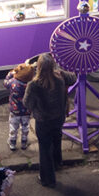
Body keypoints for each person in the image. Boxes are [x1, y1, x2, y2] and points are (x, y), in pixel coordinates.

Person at [23, 53, 69, 188]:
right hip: (59, 118)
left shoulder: (33, 85)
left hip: (43, 121)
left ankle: (48, 179)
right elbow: (73, 77)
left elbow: (27, 104)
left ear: (38, 67)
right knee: (56, 140)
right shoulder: (60, 79)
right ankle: (57, 164)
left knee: (44, 149)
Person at [3, 62, 34, 151]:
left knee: (13, 127)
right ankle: (24, 142)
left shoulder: (13, 83)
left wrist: (10, 74)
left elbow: (5, 83)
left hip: (14, 111)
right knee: (25, 127)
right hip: (26, 111)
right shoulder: (31, 85)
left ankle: (12, 143)